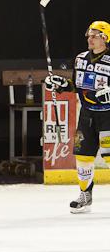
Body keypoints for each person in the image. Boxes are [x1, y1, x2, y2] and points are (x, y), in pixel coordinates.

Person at [45, 21, 110, 214]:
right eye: (89, 35)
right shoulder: (80, 59)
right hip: (87, 114)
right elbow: (77, 84)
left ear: (105, 38)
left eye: (94, 35)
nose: (89, 39)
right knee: (82, 156)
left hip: (108, 115)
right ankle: (85, 194)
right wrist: (61, 84)